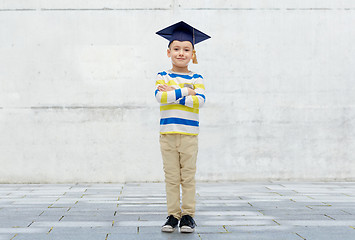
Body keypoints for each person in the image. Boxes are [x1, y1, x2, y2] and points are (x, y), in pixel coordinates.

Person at [154, 21, 210, 233]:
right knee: (171, 177)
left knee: (188, 177)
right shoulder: (162, 76)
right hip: (167, 134)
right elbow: (161, 97)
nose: (181, 53)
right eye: (176, 49)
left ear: (192, 53)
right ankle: (172, 216)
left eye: (186, 49)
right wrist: (188, 91)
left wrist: (175, 92)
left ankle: (188, 216)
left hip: (189, 135)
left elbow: (201, 101)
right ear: (168, 52)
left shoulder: (197, 77)